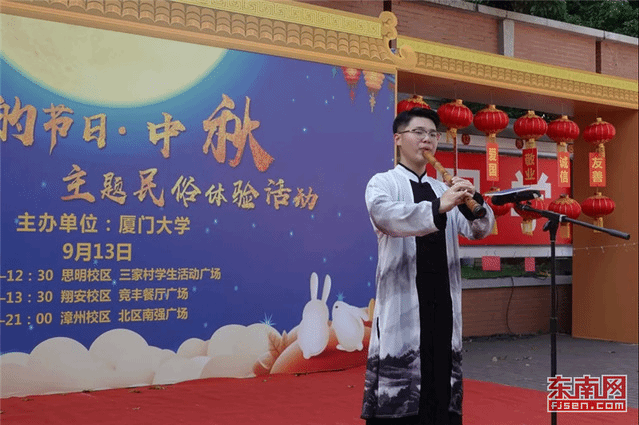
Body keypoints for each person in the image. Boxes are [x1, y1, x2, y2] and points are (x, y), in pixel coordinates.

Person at [361, 107, 495, 425]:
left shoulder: (441, 187)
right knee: (401, 382)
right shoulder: (383, 183)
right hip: (404, 302)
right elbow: (386, 217)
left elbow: (477, 230)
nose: (427, 139)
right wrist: (438, 206)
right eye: (419, 132)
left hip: (442, 300)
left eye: (433, 134)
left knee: (440, 380)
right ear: (398, 139)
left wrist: (476, 202)